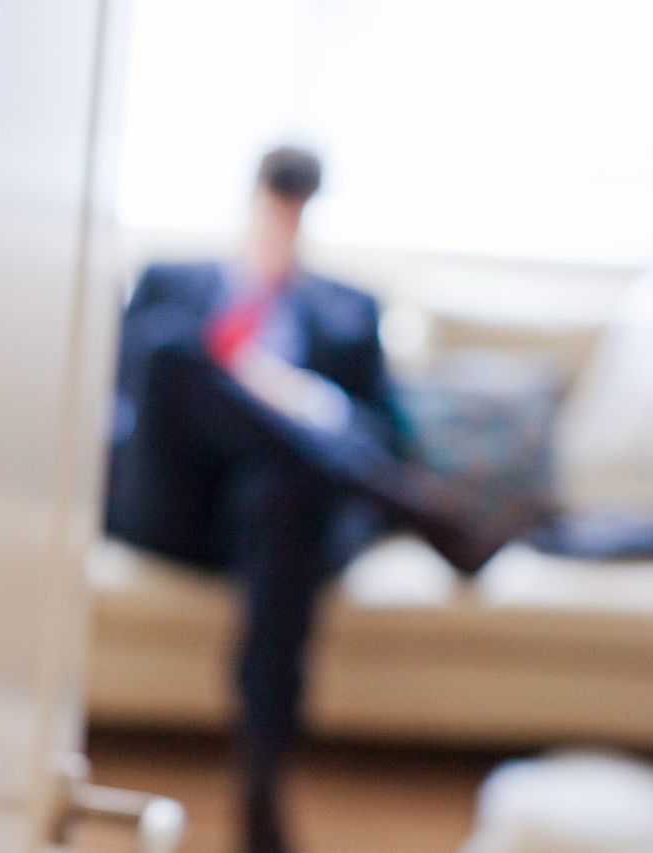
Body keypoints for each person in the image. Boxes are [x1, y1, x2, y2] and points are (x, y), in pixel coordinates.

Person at [104, 147, 527, 852]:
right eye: (275, 207)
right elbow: (130, 405)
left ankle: (261, 776)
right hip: (175, 505)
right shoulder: (172, 282)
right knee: (175, 355)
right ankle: (419, 510)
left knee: (286, 488)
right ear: (252, 201)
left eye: (298, 213)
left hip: (273, 519)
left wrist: (306, 400)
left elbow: (381, 428)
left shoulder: (347, 310)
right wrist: (242, 382)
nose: (284, 224)